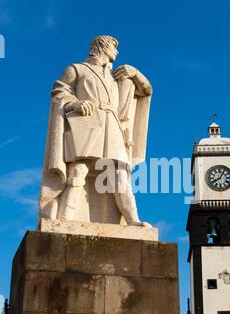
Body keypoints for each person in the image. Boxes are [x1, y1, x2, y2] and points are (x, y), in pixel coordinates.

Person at [39, 35, 152, 226]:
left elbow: (146, 91)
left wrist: (135, 73)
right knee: (78, 171)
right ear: (103, 46)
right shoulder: (77, 69)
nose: (116, 52)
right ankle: (65, 220)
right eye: (114, 47)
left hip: (113, 125)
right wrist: (75, 103)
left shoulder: (118, 77)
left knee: (119, 175)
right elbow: (59, 92)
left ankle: (133, 220)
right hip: (87, 123)